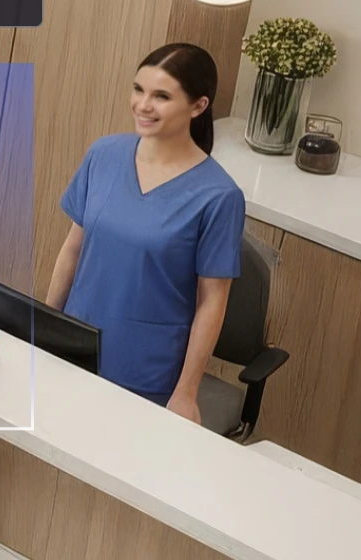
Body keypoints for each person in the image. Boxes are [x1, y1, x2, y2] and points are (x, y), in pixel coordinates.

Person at [43, 42, 246, 423]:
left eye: (161, 96)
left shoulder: (219, 197)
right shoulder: (104, 155)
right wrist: (43, 323)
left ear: (198, 106)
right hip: (73, 344)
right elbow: (73, 248)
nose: (143, 105)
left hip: (145, 371)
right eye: (139, 89)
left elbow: (212, 302)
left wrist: (186, 392)